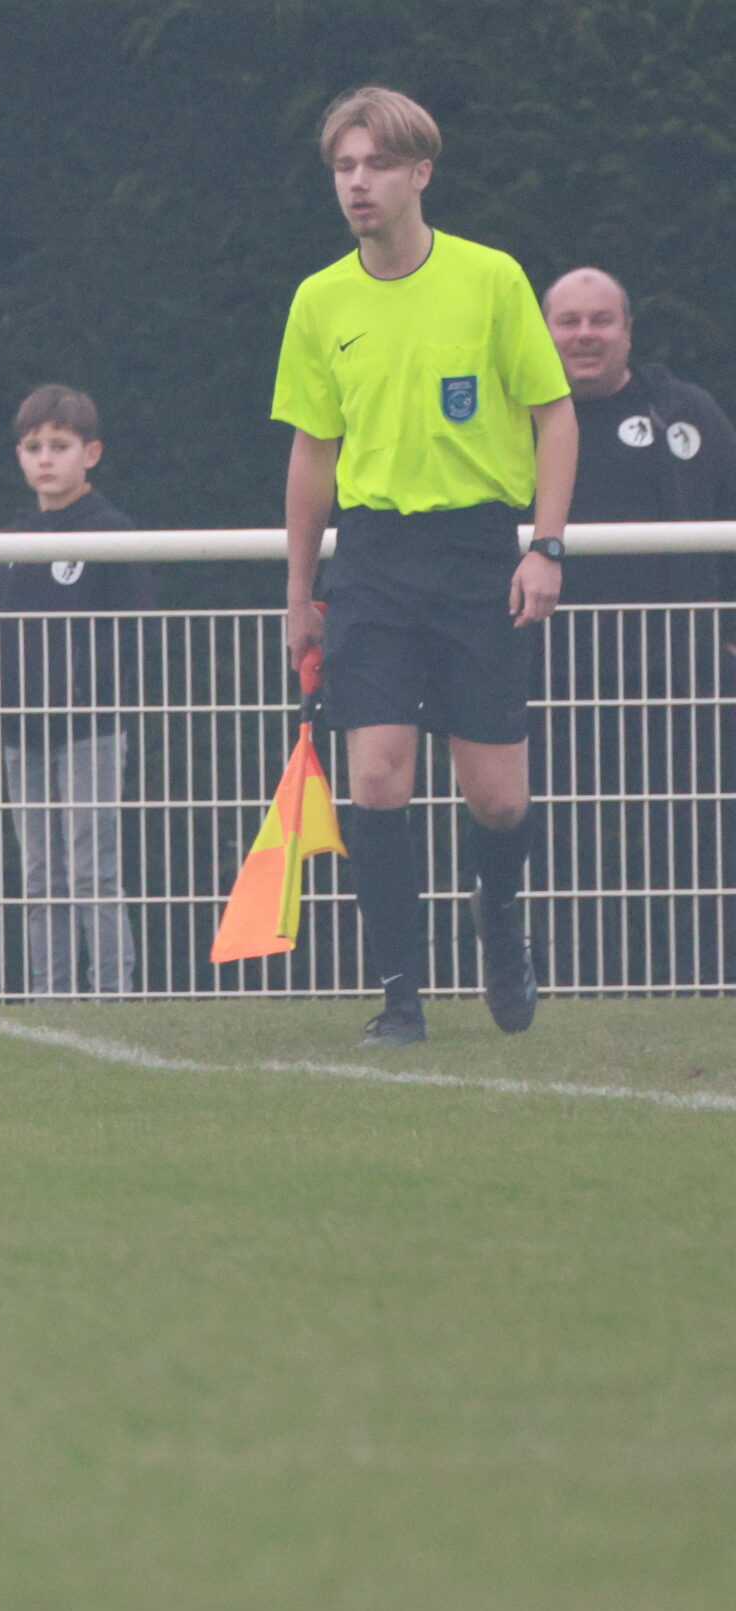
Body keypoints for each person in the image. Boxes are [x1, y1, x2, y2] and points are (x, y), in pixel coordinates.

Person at [273, 87, 576, 1045]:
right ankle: (401, 997)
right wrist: (298, 593)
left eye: (375, 165)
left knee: (500, 798)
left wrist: (546, 546)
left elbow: (554, 414)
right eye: (343, 167)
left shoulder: (491, 279)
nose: (357, 184)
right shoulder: (320, 299)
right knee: (376, 781)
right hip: (373, 560)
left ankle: (500, 920)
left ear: (420, 173)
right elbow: (312, 451)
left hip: (478, 553)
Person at [539, 267, 736, 989]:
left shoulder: (685, 412)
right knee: (563, 842)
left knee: (700, 836)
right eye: (569, 322)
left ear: (628, 331)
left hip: (685, 675)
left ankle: (710, 980)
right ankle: (567, 981)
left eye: (601, 320)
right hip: (555, 677)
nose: (585, 336)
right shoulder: (513, 421)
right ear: (544, 332)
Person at [0, 385, 156, 995]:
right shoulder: (9, 538)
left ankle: (112, 992)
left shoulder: (112, 532)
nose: (45, 459)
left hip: (91, 730)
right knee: (39, 876)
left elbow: (135, 631)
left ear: (92, 454)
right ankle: (49, 995)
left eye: (59, 446)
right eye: (33, 446)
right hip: (21, 731)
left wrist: (92, 691)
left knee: (93, 870)